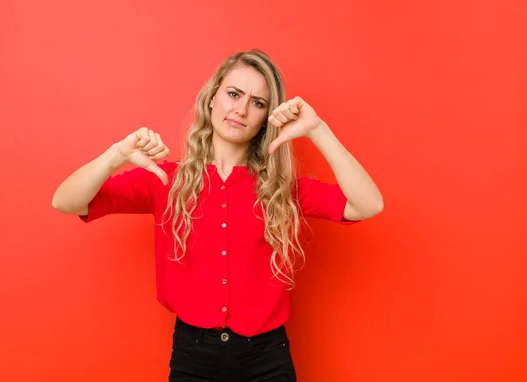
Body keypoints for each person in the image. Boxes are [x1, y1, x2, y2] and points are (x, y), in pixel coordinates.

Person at [52, 49, 383, 382]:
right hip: (193, 355)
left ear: (267, 117)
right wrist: (118, 154)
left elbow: (368, 205)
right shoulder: (165, 180)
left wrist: (317, 129)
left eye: (257, 103)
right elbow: (66, 201)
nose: (240, 109)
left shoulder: (281, 188)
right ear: (212, 99)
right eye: (234, 94)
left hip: (267, 358)